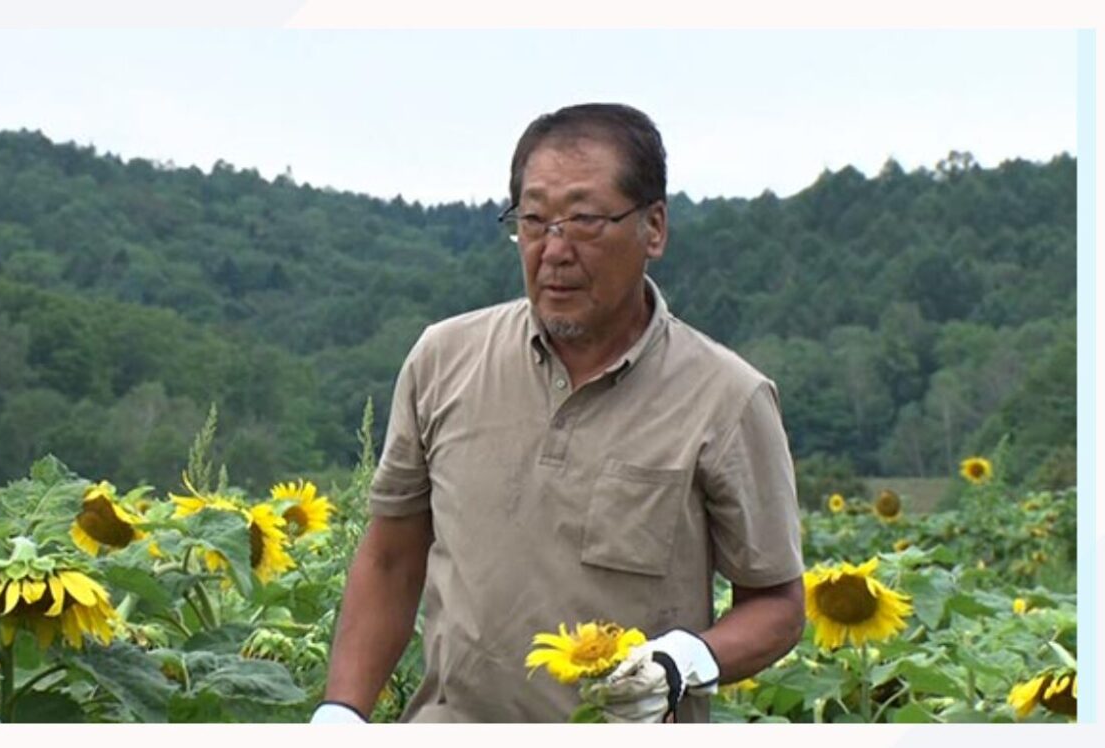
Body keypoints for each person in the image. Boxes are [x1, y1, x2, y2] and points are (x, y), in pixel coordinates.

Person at [310, 103, 806, 723]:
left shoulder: (727, 398)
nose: (554, 249)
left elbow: (779, 604)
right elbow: (391, 557)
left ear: (653, 229)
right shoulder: (445, 359)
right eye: (534, 219)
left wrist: (684, 661)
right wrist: (342, 713)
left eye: (586, 220)